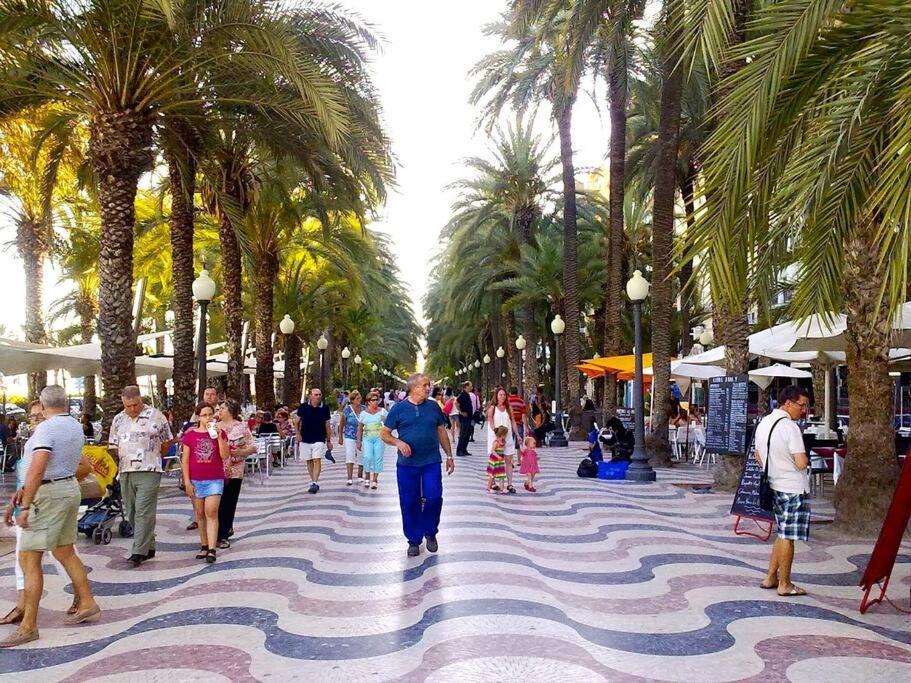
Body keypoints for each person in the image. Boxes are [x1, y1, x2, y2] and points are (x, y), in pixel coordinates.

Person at [1, 386, 100, 647]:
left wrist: (26, 507)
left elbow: (38, 468)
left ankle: (29, 626)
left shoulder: (46, 429)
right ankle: (87, 601)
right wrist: (23, 493)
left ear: (43, 406)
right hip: (68, 489)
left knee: (28, 558)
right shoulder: (74, 426)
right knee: (64, 550)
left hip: (49, 494)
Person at [381, 373, 454, 557]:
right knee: (409, 500)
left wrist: (449, 455)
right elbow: (385, 434)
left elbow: (441, 431)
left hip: (431, 461)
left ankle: (430, 532)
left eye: (428, 385)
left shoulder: (433, 407)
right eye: (425, 385)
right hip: (407, 465)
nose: (428, 388)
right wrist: (399, 443)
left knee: (434, 497)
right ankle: (413, 540)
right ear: (413, 388)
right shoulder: (398, 409)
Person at [108, 386, 174, 567]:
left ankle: (138, 551)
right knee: (131, 511)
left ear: (140, 400)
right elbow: (113, 444)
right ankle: (149, 545)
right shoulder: (118, 419)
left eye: (135, 405)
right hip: (126, 470)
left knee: (144, 510)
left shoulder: (156, 416)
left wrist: (155, 455)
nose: (132, 409)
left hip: (149, 469)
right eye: (128, 406)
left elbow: (167, 441)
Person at [754, 385, 811, 597]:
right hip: (793, 487)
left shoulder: (764, 422)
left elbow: (758, 456)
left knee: (782, 532)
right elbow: (801, 462)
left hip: (773, 484)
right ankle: (785, 584)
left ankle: (770, 577)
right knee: (788, 536)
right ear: (788, 403)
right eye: (801, 405)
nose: (803, 410)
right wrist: (802, 461)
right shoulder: (790, 427)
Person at [181, 403, 229, 563]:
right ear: (198, 417)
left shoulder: (219, 433)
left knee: (211, 511)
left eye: (210, 414)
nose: (208, 418)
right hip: (196, 479)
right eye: (204, 415)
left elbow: (224, 455)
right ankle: (204, 544)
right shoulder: (190, 436)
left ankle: (212, 548)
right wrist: (187, 481)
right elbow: (185, 460)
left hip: (215, 478)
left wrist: (219, 437)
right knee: (199, 513)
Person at [216, 400, 256, 550]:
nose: (219, 411)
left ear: (231, 410)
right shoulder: (214, 427)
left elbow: (252, 446)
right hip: (217, 469)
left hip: (235, 469)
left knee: (229, 501)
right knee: (218, 501)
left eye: (222, 408)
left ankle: (224, 534)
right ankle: (220, 531)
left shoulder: (241, 427)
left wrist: (241, 452)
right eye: (219, 409)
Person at [294, 388, 332, 494]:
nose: (318, 396)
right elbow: (296, 422)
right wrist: (297, 434)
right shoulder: (303, 407)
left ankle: (315, 482)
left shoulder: (325, 408)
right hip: (305, 438)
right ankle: (313, 481)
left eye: (319, 394)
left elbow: (327, 425)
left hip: (319, 438)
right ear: (310, 396)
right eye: (315, 394)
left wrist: (328, 440)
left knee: (317, 459)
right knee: (309, 460)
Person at [486, 387, 519, 494]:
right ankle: (494, 482)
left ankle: (509, 484)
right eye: (500, 395)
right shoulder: (492, 408)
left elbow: (513, 421)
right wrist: (495, 432)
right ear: (496, 396)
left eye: (504, 395)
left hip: (507, 437)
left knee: (508, 460)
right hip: (496, 437)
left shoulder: (508, 408)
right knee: (495, 460)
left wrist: (517, 434)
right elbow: (490, 421)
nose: (502, 397)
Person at [357, 391, 387, 489]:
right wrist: (358, 441)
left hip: (379, 437)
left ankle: (375, 479)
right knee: (367, 457)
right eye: (373, 400)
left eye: (377, 400)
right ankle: (367, 476)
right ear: (368, 402)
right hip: (367, 438)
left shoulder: (382, 411)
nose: (375, 402)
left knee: (378, 457)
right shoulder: (363, 413)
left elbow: (389, 424)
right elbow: (360, 428)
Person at [339, 390, 364, 486]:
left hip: (362, 436)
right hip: (349, 435)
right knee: (350, 455)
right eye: (357, 399)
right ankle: (349, 478)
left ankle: (360, 475)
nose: (359, 400)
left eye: (360, 398)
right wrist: (340, 436)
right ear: (352, 400)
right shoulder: (347, 409)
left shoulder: (364, 409)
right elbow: (341, 424)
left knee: (361, 455)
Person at [486, 425, 509, 493]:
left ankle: (502, 489)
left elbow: (502, 450)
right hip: (494, 461)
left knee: (501, 474)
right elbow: (492, 451)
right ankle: (488, 487)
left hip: (500, 461)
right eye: (505, 434)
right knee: (492, 475)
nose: (506, 436)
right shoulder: (496, 442)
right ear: (502, 435)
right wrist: (498, 456)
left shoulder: (503, 442)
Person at [455, 381, 474, 457]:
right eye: (470, 386)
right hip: (464, 418)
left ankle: (464, 449)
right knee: (463, 434)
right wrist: (461, 412)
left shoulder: (467, 395)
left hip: (469, 417)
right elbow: (456, 403)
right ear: (466, 387)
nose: (472, 387)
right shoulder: (462, 395)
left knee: (467, 434)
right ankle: (459, 450)